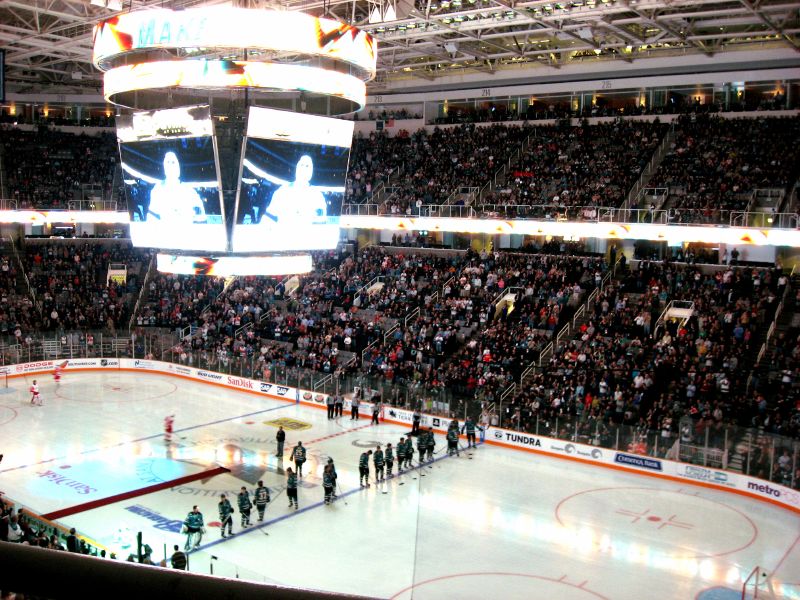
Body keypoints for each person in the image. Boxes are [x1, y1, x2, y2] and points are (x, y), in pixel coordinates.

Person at [262, 155, 327, 227]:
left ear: (311, 173)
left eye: (307, 166)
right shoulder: (282, 191)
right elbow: (268, 220)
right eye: (301, 165)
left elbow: (320, 226)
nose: (304, 168)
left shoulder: (318, 196)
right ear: (297, 169)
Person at [146, 151, 206, 224]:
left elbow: (201, 217)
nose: (170, 166)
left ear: (178, 167)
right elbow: (152, 217)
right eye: (167, 162)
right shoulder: (157, 190)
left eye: (173, 162)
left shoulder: (189, 191)